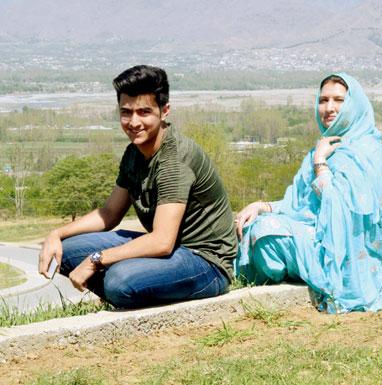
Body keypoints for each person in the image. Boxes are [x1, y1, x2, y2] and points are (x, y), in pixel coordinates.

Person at [38, 65, 237, 308]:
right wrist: (56, 234)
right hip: (172, 251)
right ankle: (135, 289)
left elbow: (162, 242)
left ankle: (128, 291)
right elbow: (109, 214)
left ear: (164, 112)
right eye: (126, 112)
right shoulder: (134, 154)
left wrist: (97, 260)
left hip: (205, 263)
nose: (134, 122)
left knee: (119, 280)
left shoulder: (174, 160)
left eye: (144, 112)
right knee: (66, 251)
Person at [235, 73, 382, 313]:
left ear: (354, 105)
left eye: (339, 100)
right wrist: (262, 205)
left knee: (265, 233)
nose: (329, 108)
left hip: (349, 251)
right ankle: (304, 265)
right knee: (254, 224)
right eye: (323, 100)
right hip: (314, 234)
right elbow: (299, 204)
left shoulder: (367, 152)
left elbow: (339, 209)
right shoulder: (322, 147)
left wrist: (321, 163)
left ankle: (314, 270)